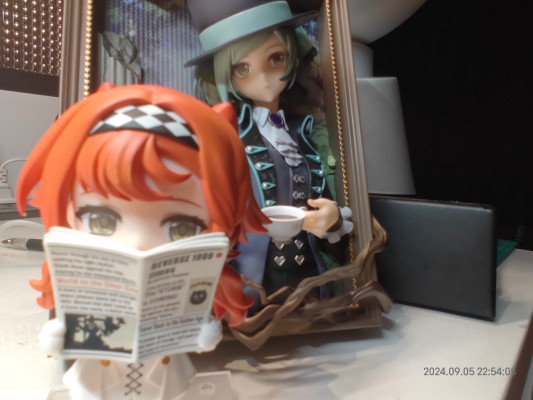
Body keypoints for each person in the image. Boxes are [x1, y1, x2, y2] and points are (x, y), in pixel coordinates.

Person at [16, 83, 268, 399]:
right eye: (102, 221)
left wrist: (201, 329)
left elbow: (198, 328)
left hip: (162, 372)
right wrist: (60, 332)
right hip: (101, 374)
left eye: (182, 228)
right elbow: (70, 327)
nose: (137, 245)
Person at [186, 0, 353, 309]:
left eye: (276, 58)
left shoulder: (301, 132)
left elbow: (320, 195)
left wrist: (330, 218)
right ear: (225, 73)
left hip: (309, 279)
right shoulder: (226, 136)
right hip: (249, 280)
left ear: (291, 56)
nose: (263, 78)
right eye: (242, 68)